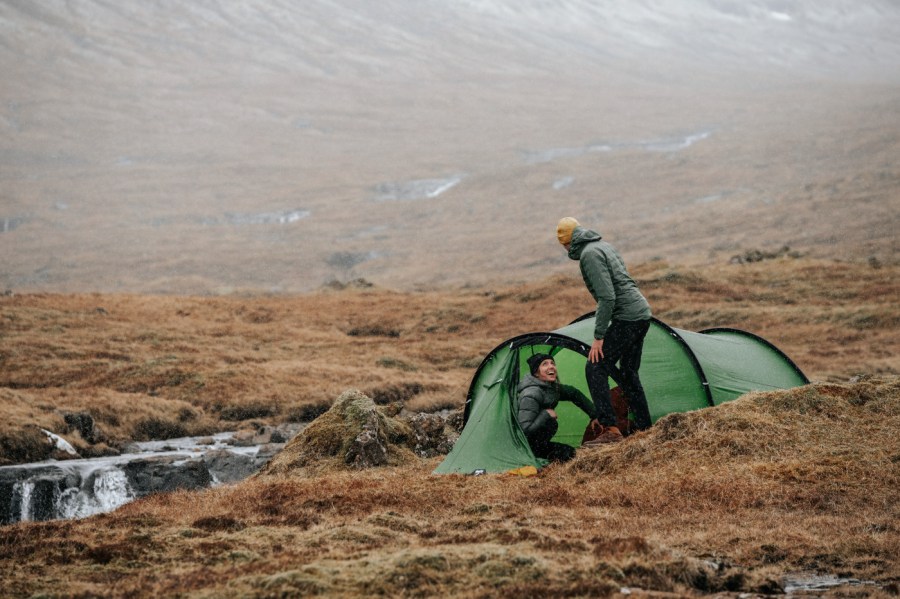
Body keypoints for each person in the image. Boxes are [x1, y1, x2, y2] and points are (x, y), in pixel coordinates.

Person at [557, 217, 653, 441]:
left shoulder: (589, 255)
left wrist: (599, 337)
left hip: (627, 317)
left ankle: (610, 428)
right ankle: (645, 429)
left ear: (567, 242)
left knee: (596, 366)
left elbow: (607, 297)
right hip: (641, 313)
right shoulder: (604, 246)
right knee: (628, 374)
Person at [516, 353, 601, 462]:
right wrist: (546, 414)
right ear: (536, 373)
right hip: (525, 448)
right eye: (544, 364)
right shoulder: (531, 394)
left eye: (552, 363)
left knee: (569, 453)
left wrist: (594, 415)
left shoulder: (551, 388)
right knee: (566, 455)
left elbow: (573, 393)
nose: (551, 366)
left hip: (539, 444)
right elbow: (525, 430)